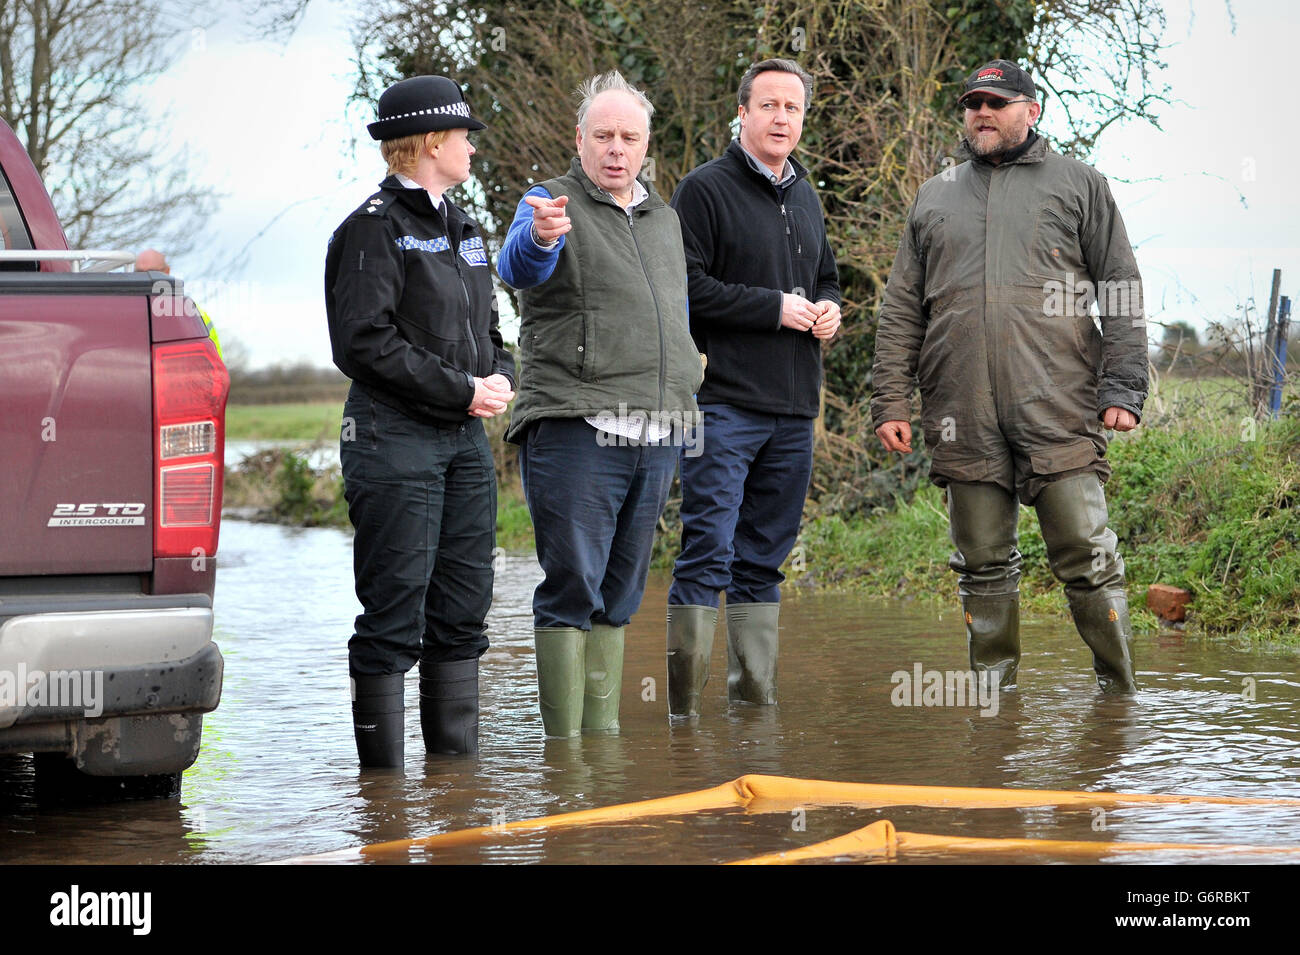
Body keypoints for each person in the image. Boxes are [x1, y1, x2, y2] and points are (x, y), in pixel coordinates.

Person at [870, 59, 1147, 693]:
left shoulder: (1080, 184)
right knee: (983, 566)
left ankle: (1121, 696)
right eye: (973, 103)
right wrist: (890, 400)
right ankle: (994, 709)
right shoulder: (935, 194)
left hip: (1060, 405)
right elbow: (900, 310)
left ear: (1032, 110)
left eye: (996, 102)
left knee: (1086, 557)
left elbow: (1122, 292)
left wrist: (1124, 387)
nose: (982, 113)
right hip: (960, 410)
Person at [498, 71, 702, 738]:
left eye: (630, 137)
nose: (617, 149)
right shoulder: (548, 202)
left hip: (659, 428)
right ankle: (565, 759)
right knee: (573, 587)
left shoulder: (665, 219)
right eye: (603, 135)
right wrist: (542, 237)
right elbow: (518, 265)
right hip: (576, 425)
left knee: (620, 594)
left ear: (647, 146)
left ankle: (603, 749)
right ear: (579, 139)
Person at [324, 75, 516, 767]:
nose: (471, 147)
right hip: (392, 437)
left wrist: (500, 376)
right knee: (393, 616)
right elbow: (363, 342)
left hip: (463, 443)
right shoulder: (373, 229)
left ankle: (453, 790)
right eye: (464, 134)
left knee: (463, 610)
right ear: (432, 140)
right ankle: (383, 802)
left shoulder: (465, 228)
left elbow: (490, 329)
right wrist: (462, 388)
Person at [665, 59, 840, 716]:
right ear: (741, 113)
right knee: (708, 550)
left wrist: (829, 309)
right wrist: (772, 307)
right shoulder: (703, 190)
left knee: (764, 559)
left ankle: (752, 710)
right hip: (724, 405)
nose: (780, 118)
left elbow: (827, 277)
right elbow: (688, 288)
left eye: (792, 108)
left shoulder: (807, 193)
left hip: (795, 410)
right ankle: (682, 718)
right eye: (768, 105)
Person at [135, 249, 223, 359]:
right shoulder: (123, 311)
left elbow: (213, 365)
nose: (145, 278)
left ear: (167, 271)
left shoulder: (192, 315)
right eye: (139, 273)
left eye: (152, 272)